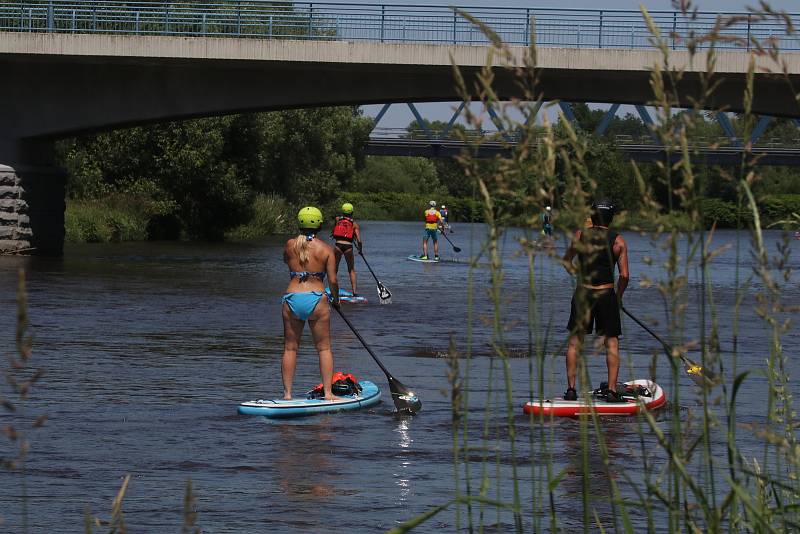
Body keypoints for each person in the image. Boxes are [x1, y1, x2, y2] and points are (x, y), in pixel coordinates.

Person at [561, 199, 629, 402]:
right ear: (611, 218)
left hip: (583, 293)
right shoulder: (618, 241)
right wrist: (618, 298)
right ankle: (611, 391)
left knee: (574, 342)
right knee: (612, 343)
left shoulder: (580, 235)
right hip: (606, 294)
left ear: (592, 216)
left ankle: (571, 390)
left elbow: (566, 261)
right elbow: (624, 276)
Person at [281, 206, 340, 401]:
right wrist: (336, 299)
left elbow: (287, 261)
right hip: (317, 299)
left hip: (292, 298)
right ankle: (329, 393)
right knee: (323, 348)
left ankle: (287, 395)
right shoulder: (326, 249)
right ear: (320, 224)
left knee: (290, 348)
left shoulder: (289, 245)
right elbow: (332, 280)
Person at [331, 202, 362, 295]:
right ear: (352, 212)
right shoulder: (355, 224)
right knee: (351, 269)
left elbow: (334, 230)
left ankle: (332, 289)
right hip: (348, 247)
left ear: (342, 211)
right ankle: (355, 292)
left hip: (337, 246)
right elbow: (359, 241)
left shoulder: (337, 219)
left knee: (334, 268)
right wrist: (360, 250)